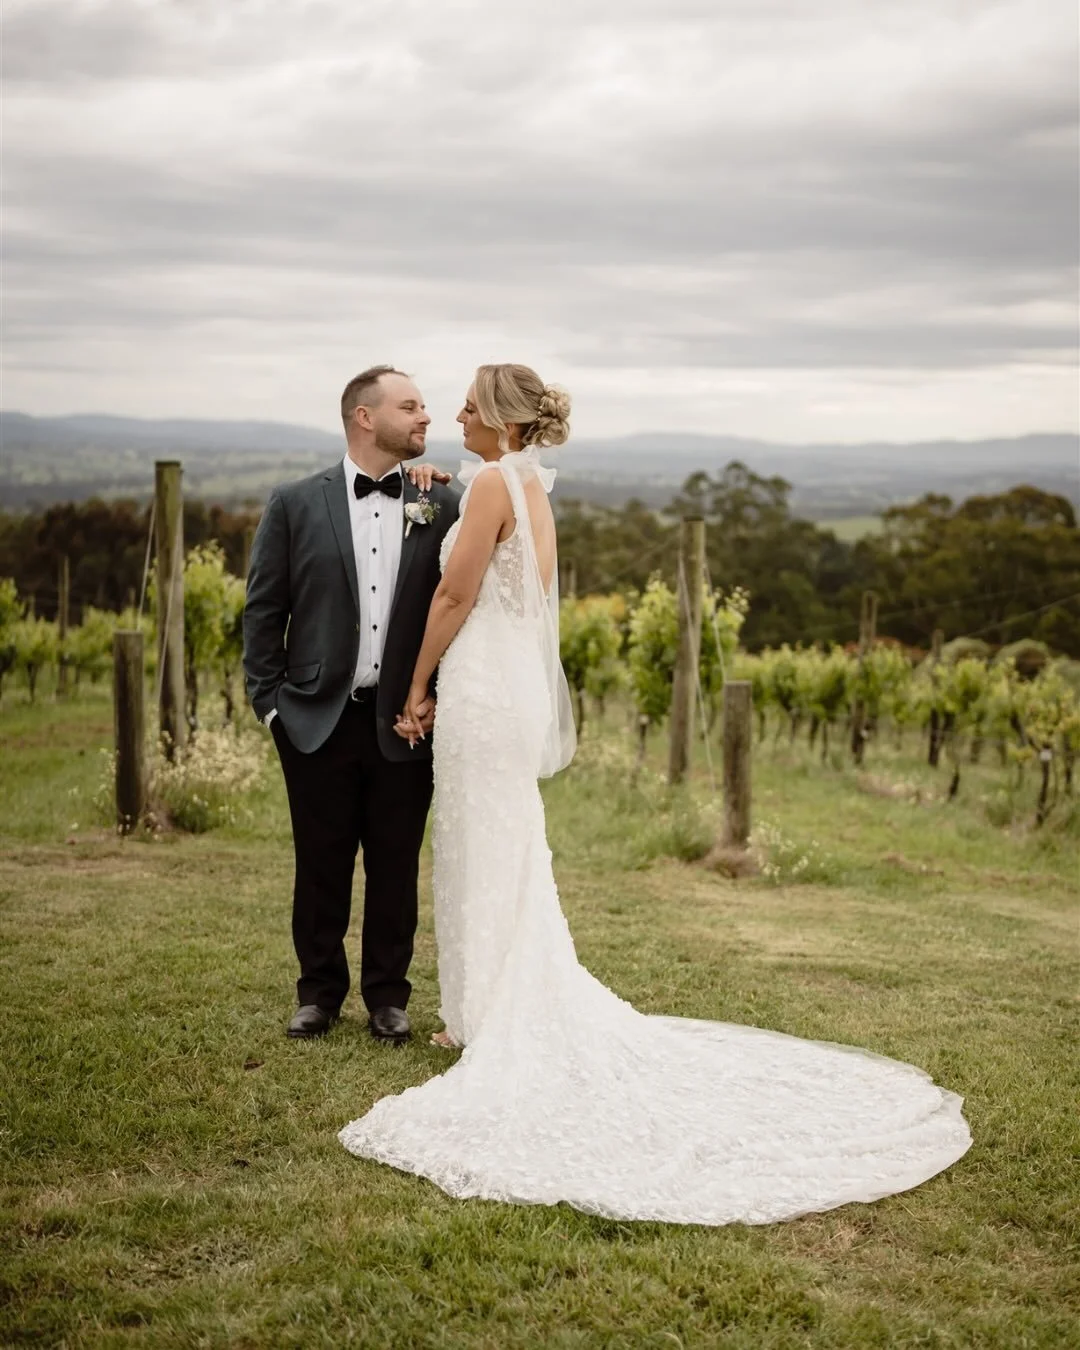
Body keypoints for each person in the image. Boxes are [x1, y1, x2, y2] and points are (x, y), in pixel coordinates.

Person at [338, 363, 972, 1226]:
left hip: (481, 685)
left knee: (481, 843)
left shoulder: (492, 482)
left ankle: (486, 1015)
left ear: (499, 420)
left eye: (467, 403)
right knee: (498, 844)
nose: (454, 412)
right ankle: (478, 1009)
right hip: (507, 685)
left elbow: (456, 592)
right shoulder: (532, 489)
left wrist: (418, 685)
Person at [243, 366, 459, 1043]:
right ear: (365, 418)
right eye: (411, 407)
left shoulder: (440, 503)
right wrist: (273, 707)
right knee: (321, 860)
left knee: (396, 863)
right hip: (315, 717)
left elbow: (461, 611)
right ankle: (318, 993)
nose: (427, 418)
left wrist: (436, 699)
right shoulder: (294, 502)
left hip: (405, 721)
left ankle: (389, 997)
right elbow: (263, 611)